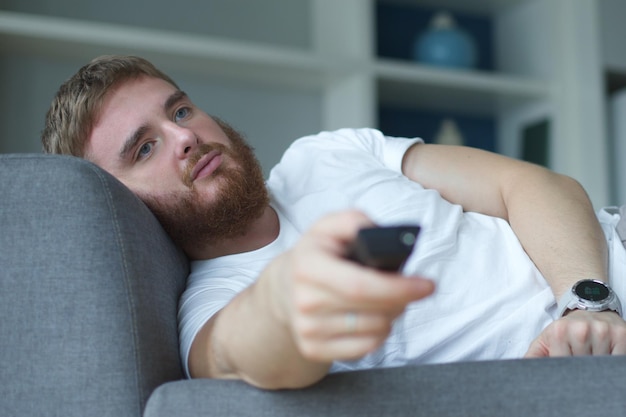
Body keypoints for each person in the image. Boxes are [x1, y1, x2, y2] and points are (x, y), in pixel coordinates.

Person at [42, 55, 626, 390]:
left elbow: (534, 186)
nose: (186, 136)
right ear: (122, 204)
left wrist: (586, 305)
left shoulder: (327, 154)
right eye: (143, 149)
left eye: (179, 110)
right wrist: (288, 300)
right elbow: (247, 347)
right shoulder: (209, 308)